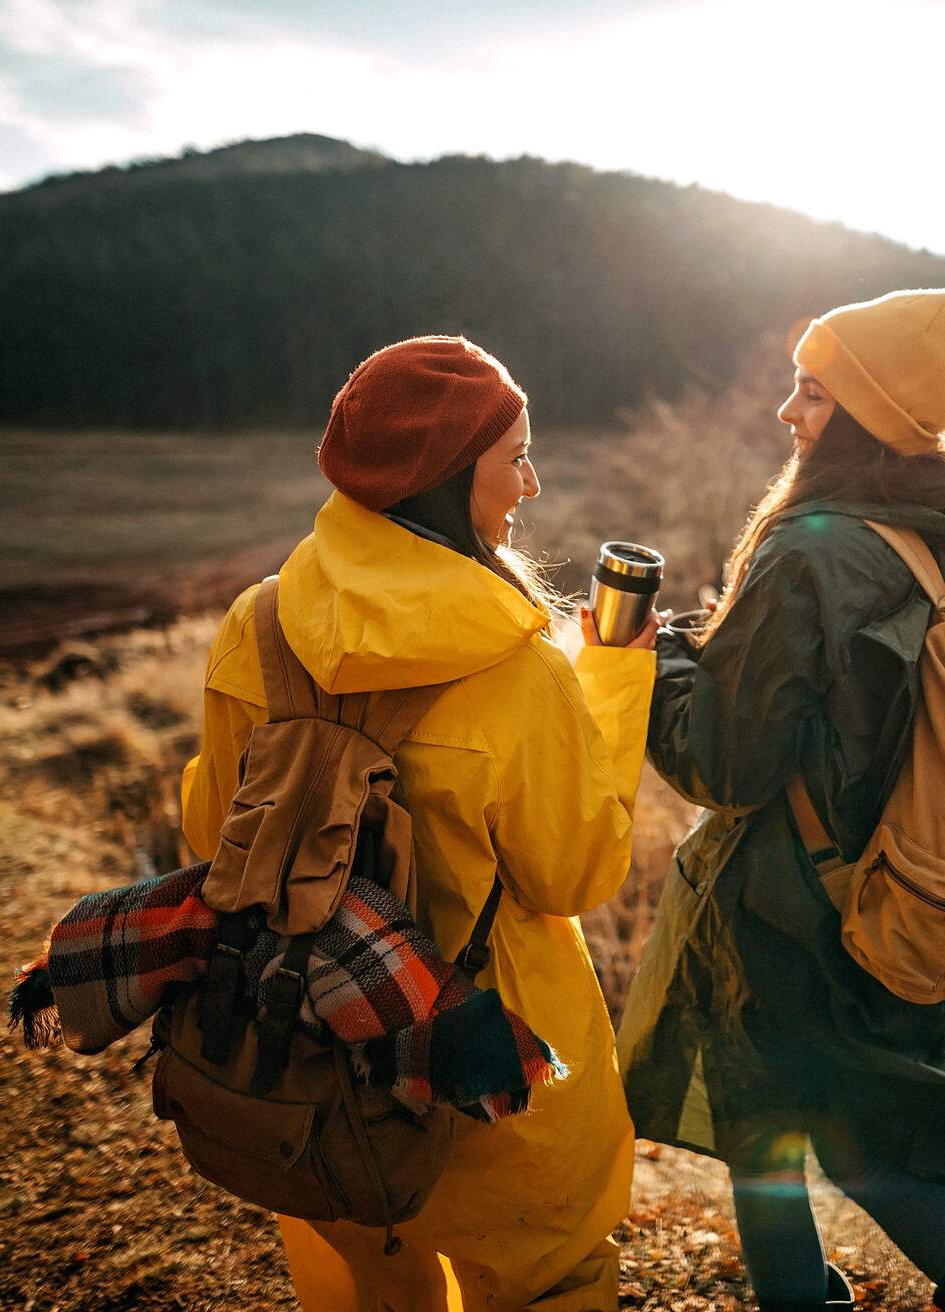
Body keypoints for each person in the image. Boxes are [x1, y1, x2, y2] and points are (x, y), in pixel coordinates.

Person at [179, 335, 661, 1311]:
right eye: (516, 455)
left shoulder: (255, 624)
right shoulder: (520, 674)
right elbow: (575, 872)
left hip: (304, 1044)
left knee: (363, 1275)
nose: (532, 482)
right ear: (447, 479)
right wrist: (612, 675)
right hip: (488, 1059)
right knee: (549, 1280)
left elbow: (209, 827)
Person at [617, 290, 945, 1311]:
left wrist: (658, 659)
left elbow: (726, 763)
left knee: (783, 1136)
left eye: (812, 391)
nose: (788, 412)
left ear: (863, 410)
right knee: (864, 1141)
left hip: (796, 909)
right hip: (921, 891)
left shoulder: (810, 543)